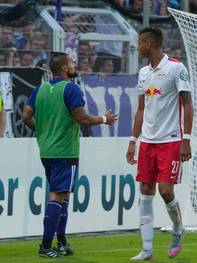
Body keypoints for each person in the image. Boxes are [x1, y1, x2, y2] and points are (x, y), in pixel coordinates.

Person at [21, 52, 118, 258]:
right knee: (58, 194)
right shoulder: (71, 89)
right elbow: (81, 118)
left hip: (47, 151)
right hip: (65, 150)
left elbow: (25, 116)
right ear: (64, 68)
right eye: (72, 63)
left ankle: (62, 242)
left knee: (63, 194)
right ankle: (46, 246)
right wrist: (103, 119)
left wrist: (42, 131)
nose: (75, 65)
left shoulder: (40, 90)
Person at [126, 26, 193, 261]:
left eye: (140, 43)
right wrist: (133, 141)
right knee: (145, 191)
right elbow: (141, 109)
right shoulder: (143, 73)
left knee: (165, 191)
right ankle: (147, 249)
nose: (138, 46)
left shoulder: (176, 68)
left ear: (149, 44)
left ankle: (178, 229)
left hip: (171, 140)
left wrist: (186, 140)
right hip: (147, 142)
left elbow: (187, 104)